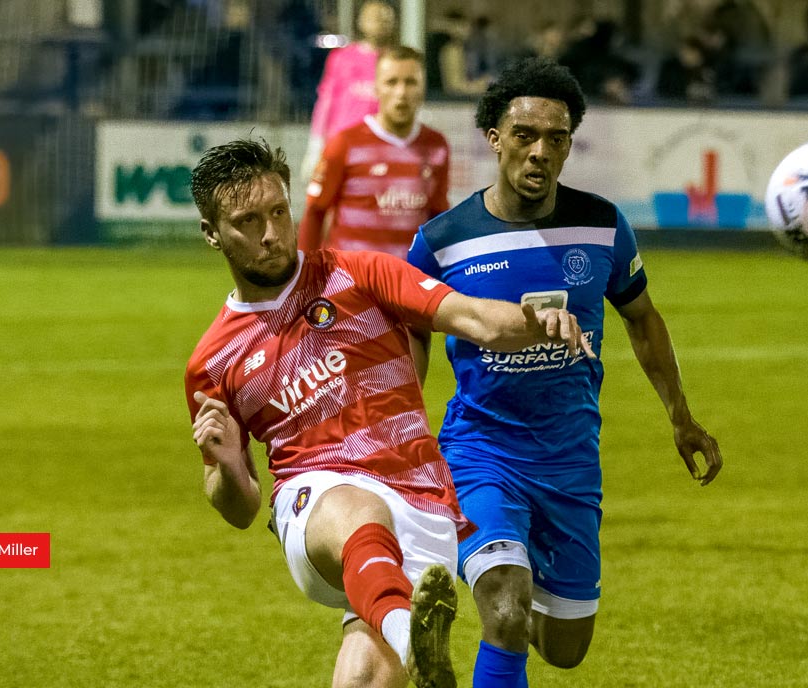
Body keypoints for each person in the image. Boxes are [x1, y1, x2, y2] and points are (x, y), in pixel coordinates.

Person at [184, 138, 593, 688]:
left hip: (419, 502)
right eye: (246, 221)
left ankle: (405, 634)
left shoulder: (360, 275)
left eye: (279, 212)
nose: (270, 233)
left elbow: (475, 317)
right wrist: (227, 465)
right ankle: (416, 642)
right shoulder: (214, 359)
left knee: (363, 680)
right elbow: (239, 508)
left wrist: (541, 318)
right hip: (316, 503)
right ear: (212, 233)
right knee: (356, 508)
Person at [405, 58, 724, 687]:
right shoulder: (442, 242)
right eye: (525, 135)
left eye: (557, 139)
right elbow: (411, 339)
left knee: (564, 646)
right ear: (494, 138)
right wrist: (400, 435)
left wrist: (682, 419)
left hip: (571, 461)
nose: (540, 152)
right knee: (504, 606)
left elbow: (642, 319)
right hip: (481, 452)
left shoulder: (603, 225)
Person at [299, 46, 450, 257]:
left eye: (410, 82)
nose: (401, 92)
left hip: (408, 283)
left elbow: (437, 216)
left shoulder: (437, 145)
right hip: (350, 283)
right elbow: (316, 212)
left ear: (422, 88)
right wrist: (305, 276)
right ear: (376, 88)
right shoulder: (344, 143)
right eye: (392, 82)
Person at [300, 0, 397, 186]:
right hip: (343, 145)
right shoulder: (342, 58)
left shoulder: (395, 61)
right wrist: (315, 146)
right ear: (361, 21)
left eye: (386, 18)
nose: (380, 22)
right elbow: (325, 102)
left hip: (380, 148)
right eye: (374, 17)